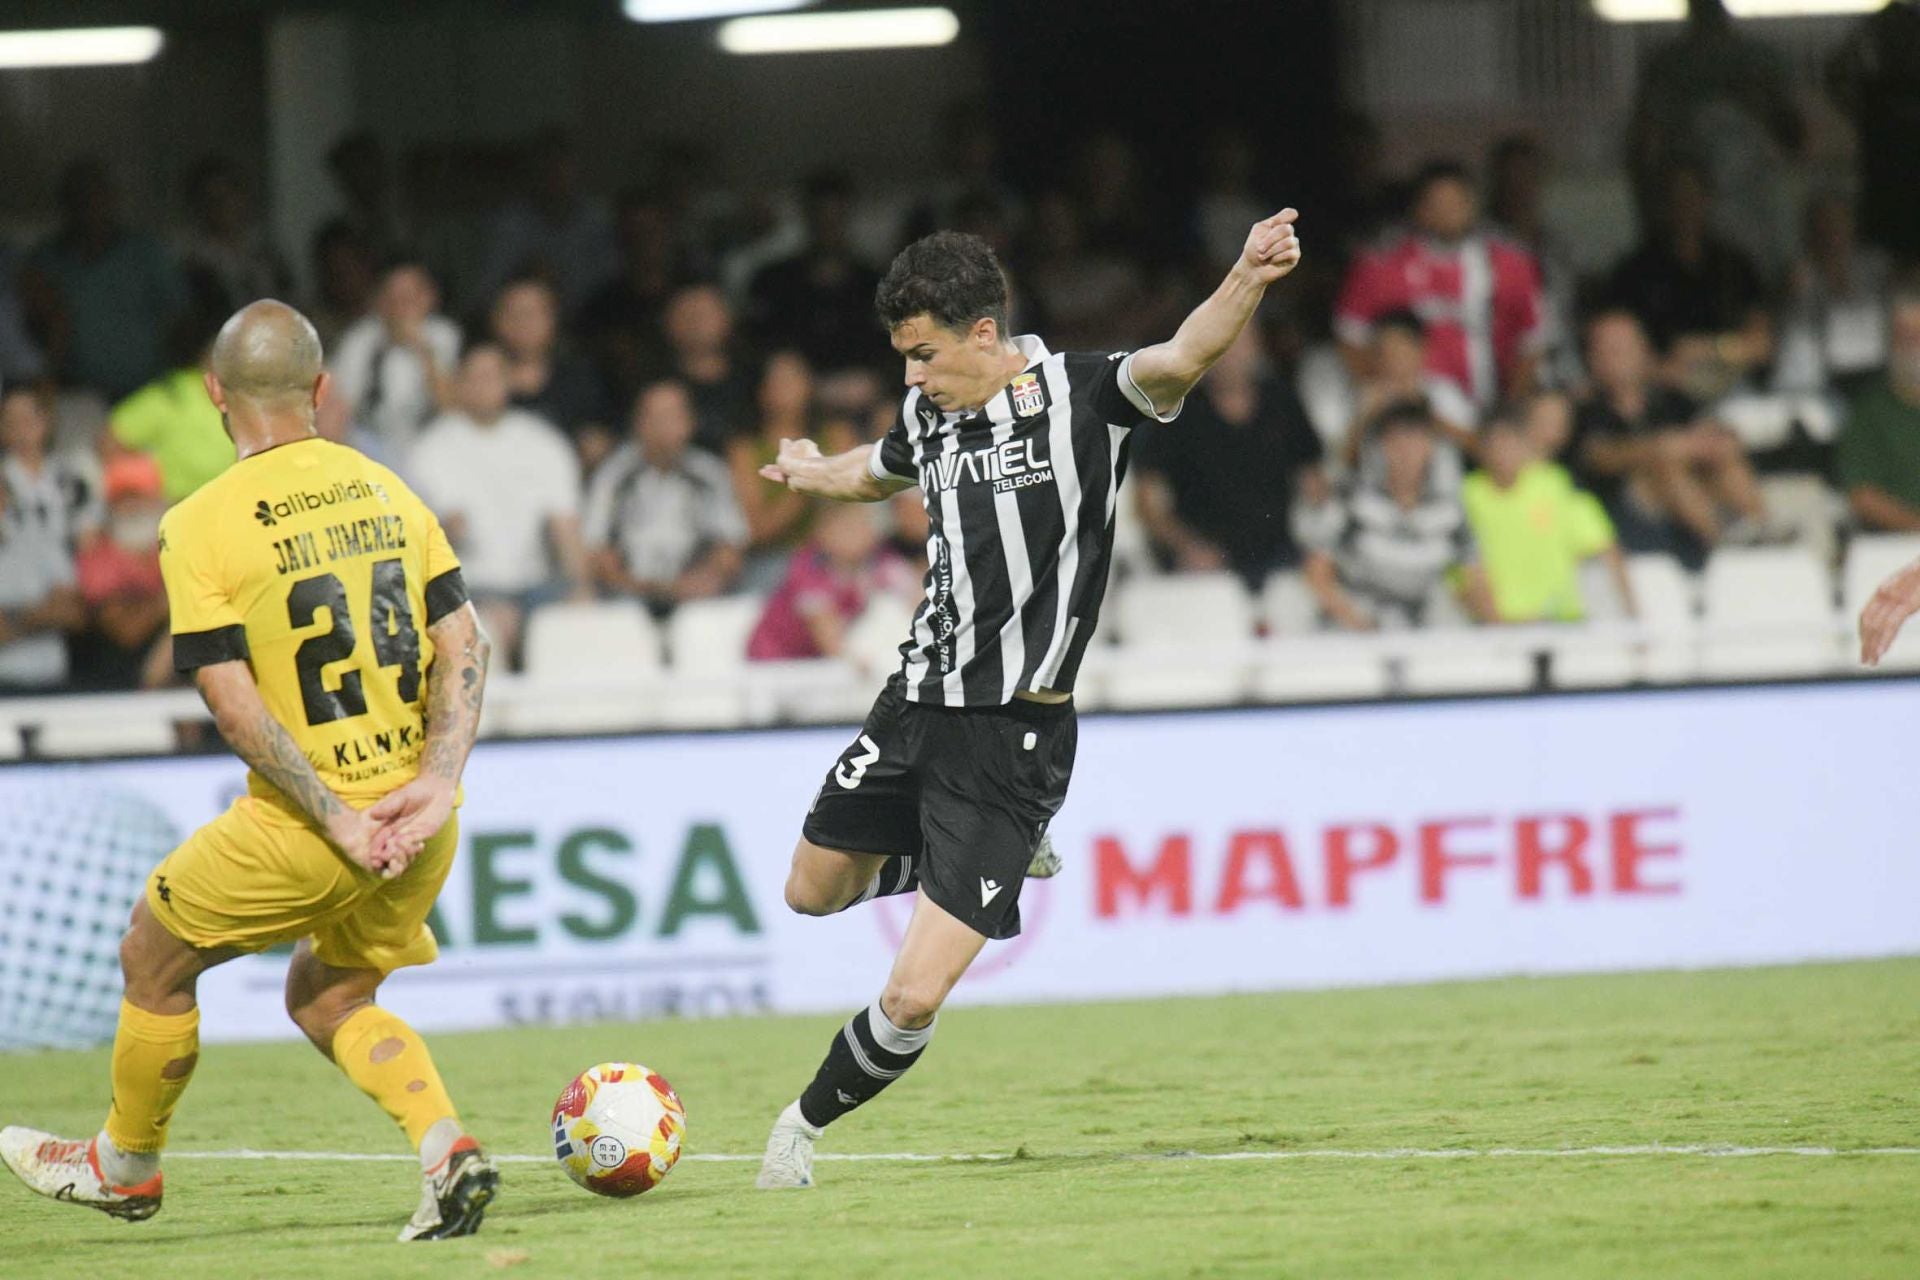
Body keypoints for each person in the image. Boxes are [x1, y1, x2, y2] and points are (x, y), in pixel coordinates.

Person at [747, 212, 1302, 1188]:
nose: (911, 376)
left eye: (923, 355)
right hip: (913, 705)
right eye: (903, 358)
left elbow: (1185, 353)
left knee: (913, 996)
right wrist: (810, 473)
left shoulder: (1088, 395)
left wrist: (1248, 275)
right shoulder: (928, 414)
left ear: (983, 334)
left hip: (1013, 739)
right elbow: (876, 472)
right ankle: (964, 862)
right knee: (810, 891)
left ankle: (799, 1128)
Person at [0, 301, 500, 1240]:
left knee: (151, 955)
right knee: (330, 994)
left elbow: (232, 702)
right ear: (321, 388)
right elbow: (466, 642)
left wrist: (338, 821)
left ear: (214, 394)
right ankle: (445, 1148)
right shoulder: (388, 488)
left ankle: (124, 1166)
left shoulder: (199, 524)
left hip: (307, 830)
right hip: (421, 820)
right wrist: (439, 781)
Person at [409, 341, 592, 666]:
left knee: (581, 620)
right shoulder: (430, 449)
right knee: (493, 623)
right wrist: (447, 532)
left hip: (537, 586)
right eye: (475, 377)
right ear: (458, 383)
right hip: (468, 589)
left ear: (509, 381)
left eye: (492, 376)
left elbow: (566, 529)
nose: (484, 386)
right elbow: (415, 547)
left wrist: (581, 588)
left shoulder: (543, 442)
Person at [1335, 159, 1543, 409]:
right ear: (1418, 208)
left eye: (1456, 203)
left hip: (1488, 406)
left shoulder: (1511, 265)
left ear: (1473, 205)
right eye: (1437, 204)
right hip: (1408, 415)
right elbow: (1350, 337)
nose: (1448, 213)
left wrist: (1510, 409)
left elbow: (1532, 343)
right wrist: (1382, 399)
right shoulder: (1381, 265)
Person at [1132, 325, 1328, 589]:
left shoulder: (1282, 401)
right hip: (1205, 563)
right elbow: (1149, 502)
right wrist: (1187, 546)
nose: (1232, 355)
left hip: (1279, 554)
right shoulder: (1177, 414)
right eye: (1222, 345)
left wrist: (1321, 542)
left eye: (1241, 343)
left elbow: (1313, 483)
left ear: (1258, 347)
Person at [1573, 309, 1767, 553]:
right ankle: (1724, 545)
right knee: (1667, 466)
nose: (1620, 357)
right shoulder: (1584, 408)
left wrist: (1700, 444)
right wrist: (1661, 448)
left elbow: (1714, 433)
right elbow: (1598, 456)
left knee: (1724, 456)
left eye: (1626, 346)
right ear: (1592, 358)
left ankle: (1761, 531)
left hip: (1690, 493)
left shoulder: (1669, 399)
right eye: (1610, 349)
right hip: (1621, 509)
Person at [1301, 400, 1495, 631]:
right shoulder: (1351, 500)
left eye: (1414, 442)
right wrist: (1357, 622)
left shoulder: (1450, 511)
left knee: (1450, 615)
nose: (1406, 453)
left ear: (1430, 447)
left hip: (1422, 621)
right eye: (1396, 443)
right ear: (1380, 448)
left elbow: (1476, 578)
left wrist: (1500, 627)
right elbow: (1317, 572)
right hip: (1358, 620)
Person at [20, 159, 188, 401]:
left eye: (96, 196)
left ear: (112, 199)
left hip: (146, 388)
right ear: (65, 205)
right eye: (79, 198)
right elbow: (35, 326)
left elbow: (179, 318)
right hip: (76, 392)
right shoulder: (47, 258)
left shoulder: (145, 251)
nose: (88, 205)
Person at [584, 379, 746, 615]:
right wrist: (644, 588)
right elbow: (595, 552)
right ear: (638, 423)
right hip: (627, 597)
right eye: (655, 417)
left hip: (698, 597)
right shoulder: (612, 476)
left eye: (672, 416)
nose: (663, 427)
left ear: (690, 422)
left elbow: (730, 549)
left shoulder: (710, 474)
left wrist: (703, 581)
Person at [1461, 406, 1635, 624]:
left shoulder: (1555, 484)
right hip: (1499, 629)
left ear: (1524, 445)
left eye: (1510, 443)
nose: (1503, 453)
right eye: (1496, 445)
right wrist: (1500, 624)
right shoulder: (1466, 497)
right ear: (1482, 449)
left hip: (1562, 620)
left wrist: (1632, 614)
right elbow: (1463, 572)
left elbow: (1604, 544)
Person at [746, 502, 916, 662]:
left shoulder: (879, 561)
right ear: (823, 534)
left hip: (820, 662)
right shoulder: (808, 570)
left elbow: (916, 595)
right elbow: (829, 639)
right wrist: (870, 660)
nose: (861, 533)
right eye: (849, 528)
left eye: (865, 524)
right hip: (777, 659)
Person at [330, 260, 460, 457]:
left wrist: (423, 351)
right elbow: (340, 404)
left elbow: (451, 409)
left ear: (430, 297)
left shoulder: (445, 335)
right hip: (368, 442)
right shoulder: (360, 337)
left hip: (430, 444)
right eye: (393, 296)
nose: (401, 305)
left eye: (410, 296)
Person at [1837, 292, 1920, 533]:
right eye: (1905, 337)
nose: (1914, 346)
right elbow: (1862, 494)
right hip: (1895, 544)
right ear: (1890, 342)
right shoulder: (1868, 411)